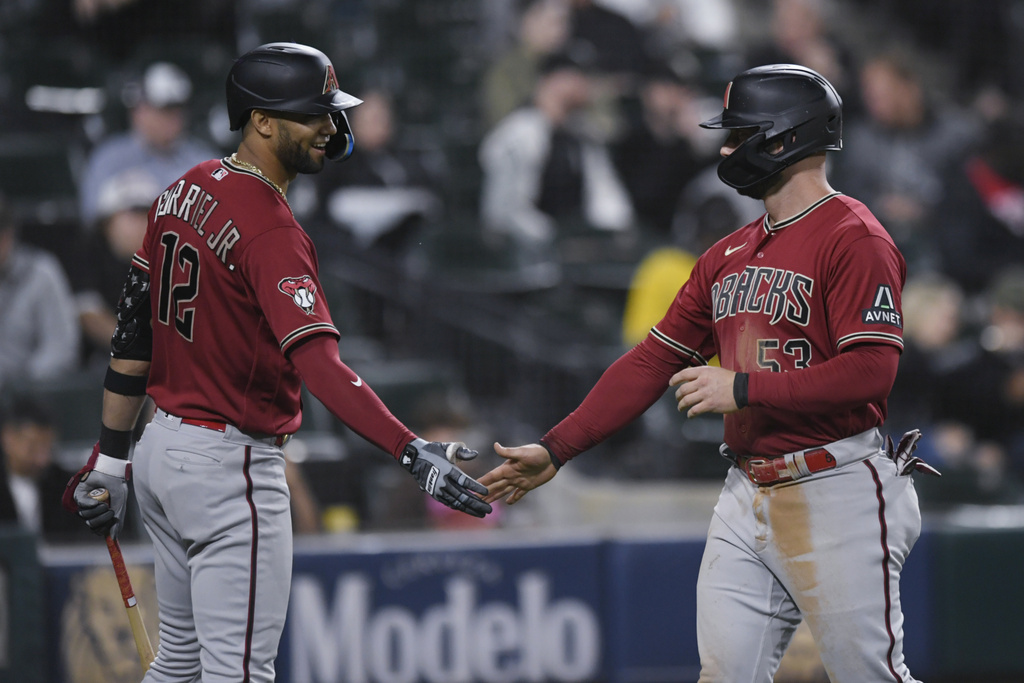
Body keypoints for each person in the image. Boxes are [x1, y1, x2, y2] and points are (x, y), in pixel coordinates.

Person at [481, 64, 934, 681]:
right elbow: (651, 360)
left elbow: (870, 374)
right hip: (746, 492)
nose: (725, 148)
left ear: (785, 137)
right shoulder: (727, 253)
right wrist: (556, 449)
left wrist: (743, 387)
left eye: (739, 133)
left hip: (838, 487)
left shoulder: (855, 237)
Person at [61, 42, 491, 682]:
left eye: (331, 113)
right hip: (227, 467)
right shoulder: (273, 231)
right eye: (313, 115)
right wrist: (408, 450)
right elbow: (320, 367)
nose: (330, 127)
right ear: (262, 121)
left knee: (177, 663)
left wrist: (113, 455)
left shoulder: (182, 188)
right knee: (239, 674)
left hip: (162, 452)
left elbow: (132, 337)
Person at [478, 50, 634, 250]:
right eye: (578, 76)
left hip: (574, 248)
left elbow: (607, 199)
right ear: (553, 80)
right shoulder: (519, 132)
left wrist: (612, 234)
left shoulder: (582, 134)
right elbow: (504, 213)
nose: (586, 85)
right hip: (524, 251)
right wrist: (554, 241)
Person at [78, 60, 218, 227]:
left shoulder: (204, 161)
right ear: (139, 111)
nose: (173, 118)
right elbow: (91, 218)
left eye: (178, 109)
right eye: (163, 110)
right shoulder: (110, 158)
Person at [0, 195, 81, 391]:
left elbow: (60, 348)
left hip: (27, 399)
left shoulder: (41, 273)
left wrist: (20, 385)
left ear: (7, 236)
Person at [0, 396, 85, 541]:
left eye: (47, 448)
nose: (42, 460)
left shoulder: (68, 487)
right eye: (32, 447)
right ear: (8, 438)